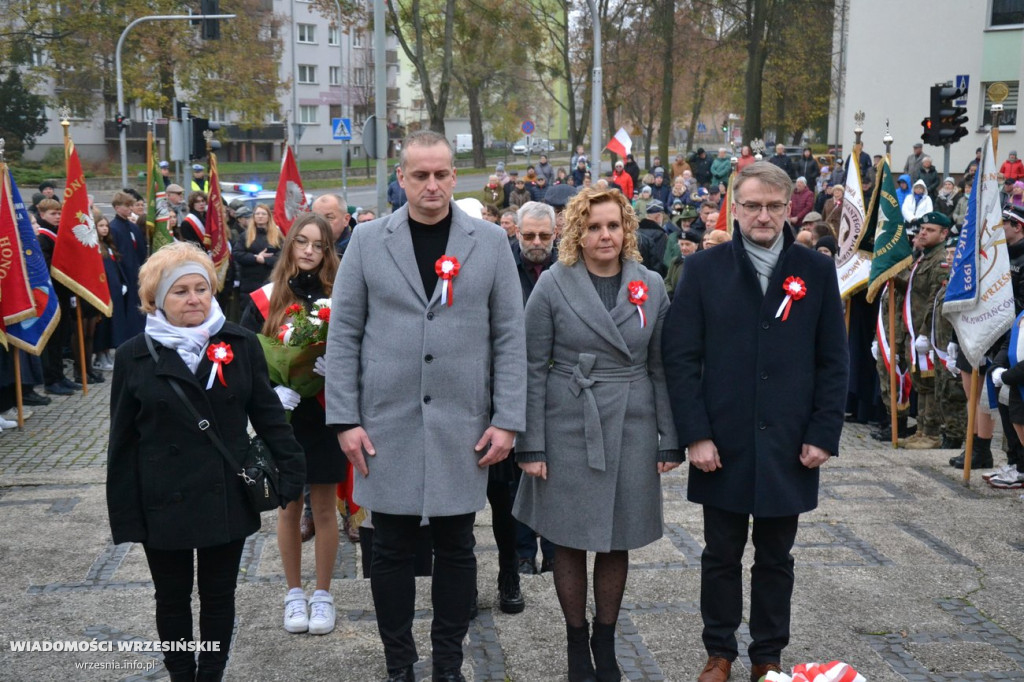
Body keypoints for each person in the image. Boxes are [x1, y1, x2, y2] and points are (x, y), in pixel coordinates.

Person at [324, 130, 526, 682]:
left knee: (457, 545)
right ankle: (399, 665)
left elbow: (510, 336)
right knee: (388, 549)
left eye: (441, 174)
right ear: (402, 177)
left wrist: (508, 419)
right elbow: (344, 335)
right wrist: (344, 418)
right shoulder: (367, 242)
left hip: (463, 423)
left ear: (454, 177)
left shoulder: (488, 242)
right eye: (420, 175)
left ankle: (447, 666)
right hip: (384, 423)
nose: (431, 185)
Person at [662, 162, 847, 682]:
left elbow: (833, 360)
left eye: (773, 205)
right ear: (735, 208)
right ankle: (718, 651)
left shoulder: (815, 269)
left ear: (790, 208)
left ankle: (768, 656)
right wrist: (694, 434)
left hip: (789, 442)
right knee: (720, 553)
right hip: (722, 441)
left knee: (776, 557)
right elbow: (680, 357)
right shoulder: (705, 269)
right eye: (752, 205)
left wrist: (822, 433)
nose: (763, 215)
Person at [106, 241, 305, 682]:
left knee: (219, 596)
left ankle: (211, 673)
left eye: (202, 289)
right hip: (162, 500)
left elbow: (270, 419)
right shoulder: (133, 356)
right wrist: (125, 514)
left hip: (225, 492)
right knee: (172, 598)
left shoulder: (240, 343)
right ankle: (181, 674)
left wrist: (292, 473)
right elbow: (122, 443)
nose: (195, 299)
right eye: (181, 291)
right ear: (155, 300)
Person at [513, 186, 681, 682]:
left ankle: (605, 644)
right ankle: (574, 643)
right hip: (569, 420)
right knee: (568, 539)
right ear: (577, 234)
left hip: (632, 422)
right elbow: (531, 366)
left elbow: (661, 368)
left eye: (612, 225)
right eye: (593, 227)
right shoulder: (552, 284)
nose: (604, 235)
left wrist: (669, 438)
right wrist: (531, 444)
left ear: (626, 228)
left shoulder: (651, 285)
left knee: (615, 539)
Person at [240, 213, 345, 636]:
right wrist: (269, 393)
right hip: (282, 415)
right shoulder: (264, 299)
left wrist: (334, 369)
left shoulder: (340, 297)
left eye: (318, 245)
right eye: (301, 242)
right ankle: (293, 594)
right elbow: (247, 361)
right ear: (289, 246)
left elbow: (360, 351)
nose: (308, 251)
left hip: (323, 412)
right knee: (288, 507)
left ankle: (323, 595)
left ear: (327, 252)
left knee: (324, 507)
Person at [232, 203, 282, 296]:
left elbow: (282, 256)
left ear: (269, 217)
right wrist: (255, 258)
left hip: (270, 282)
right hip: (249, 284)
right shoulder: (245, 235)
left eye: (263, 214)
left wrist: (265, 260)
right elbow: (237, 253)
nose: (260, 216)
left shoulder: (277, 236)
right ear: (253, 217)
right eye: (257, 214)